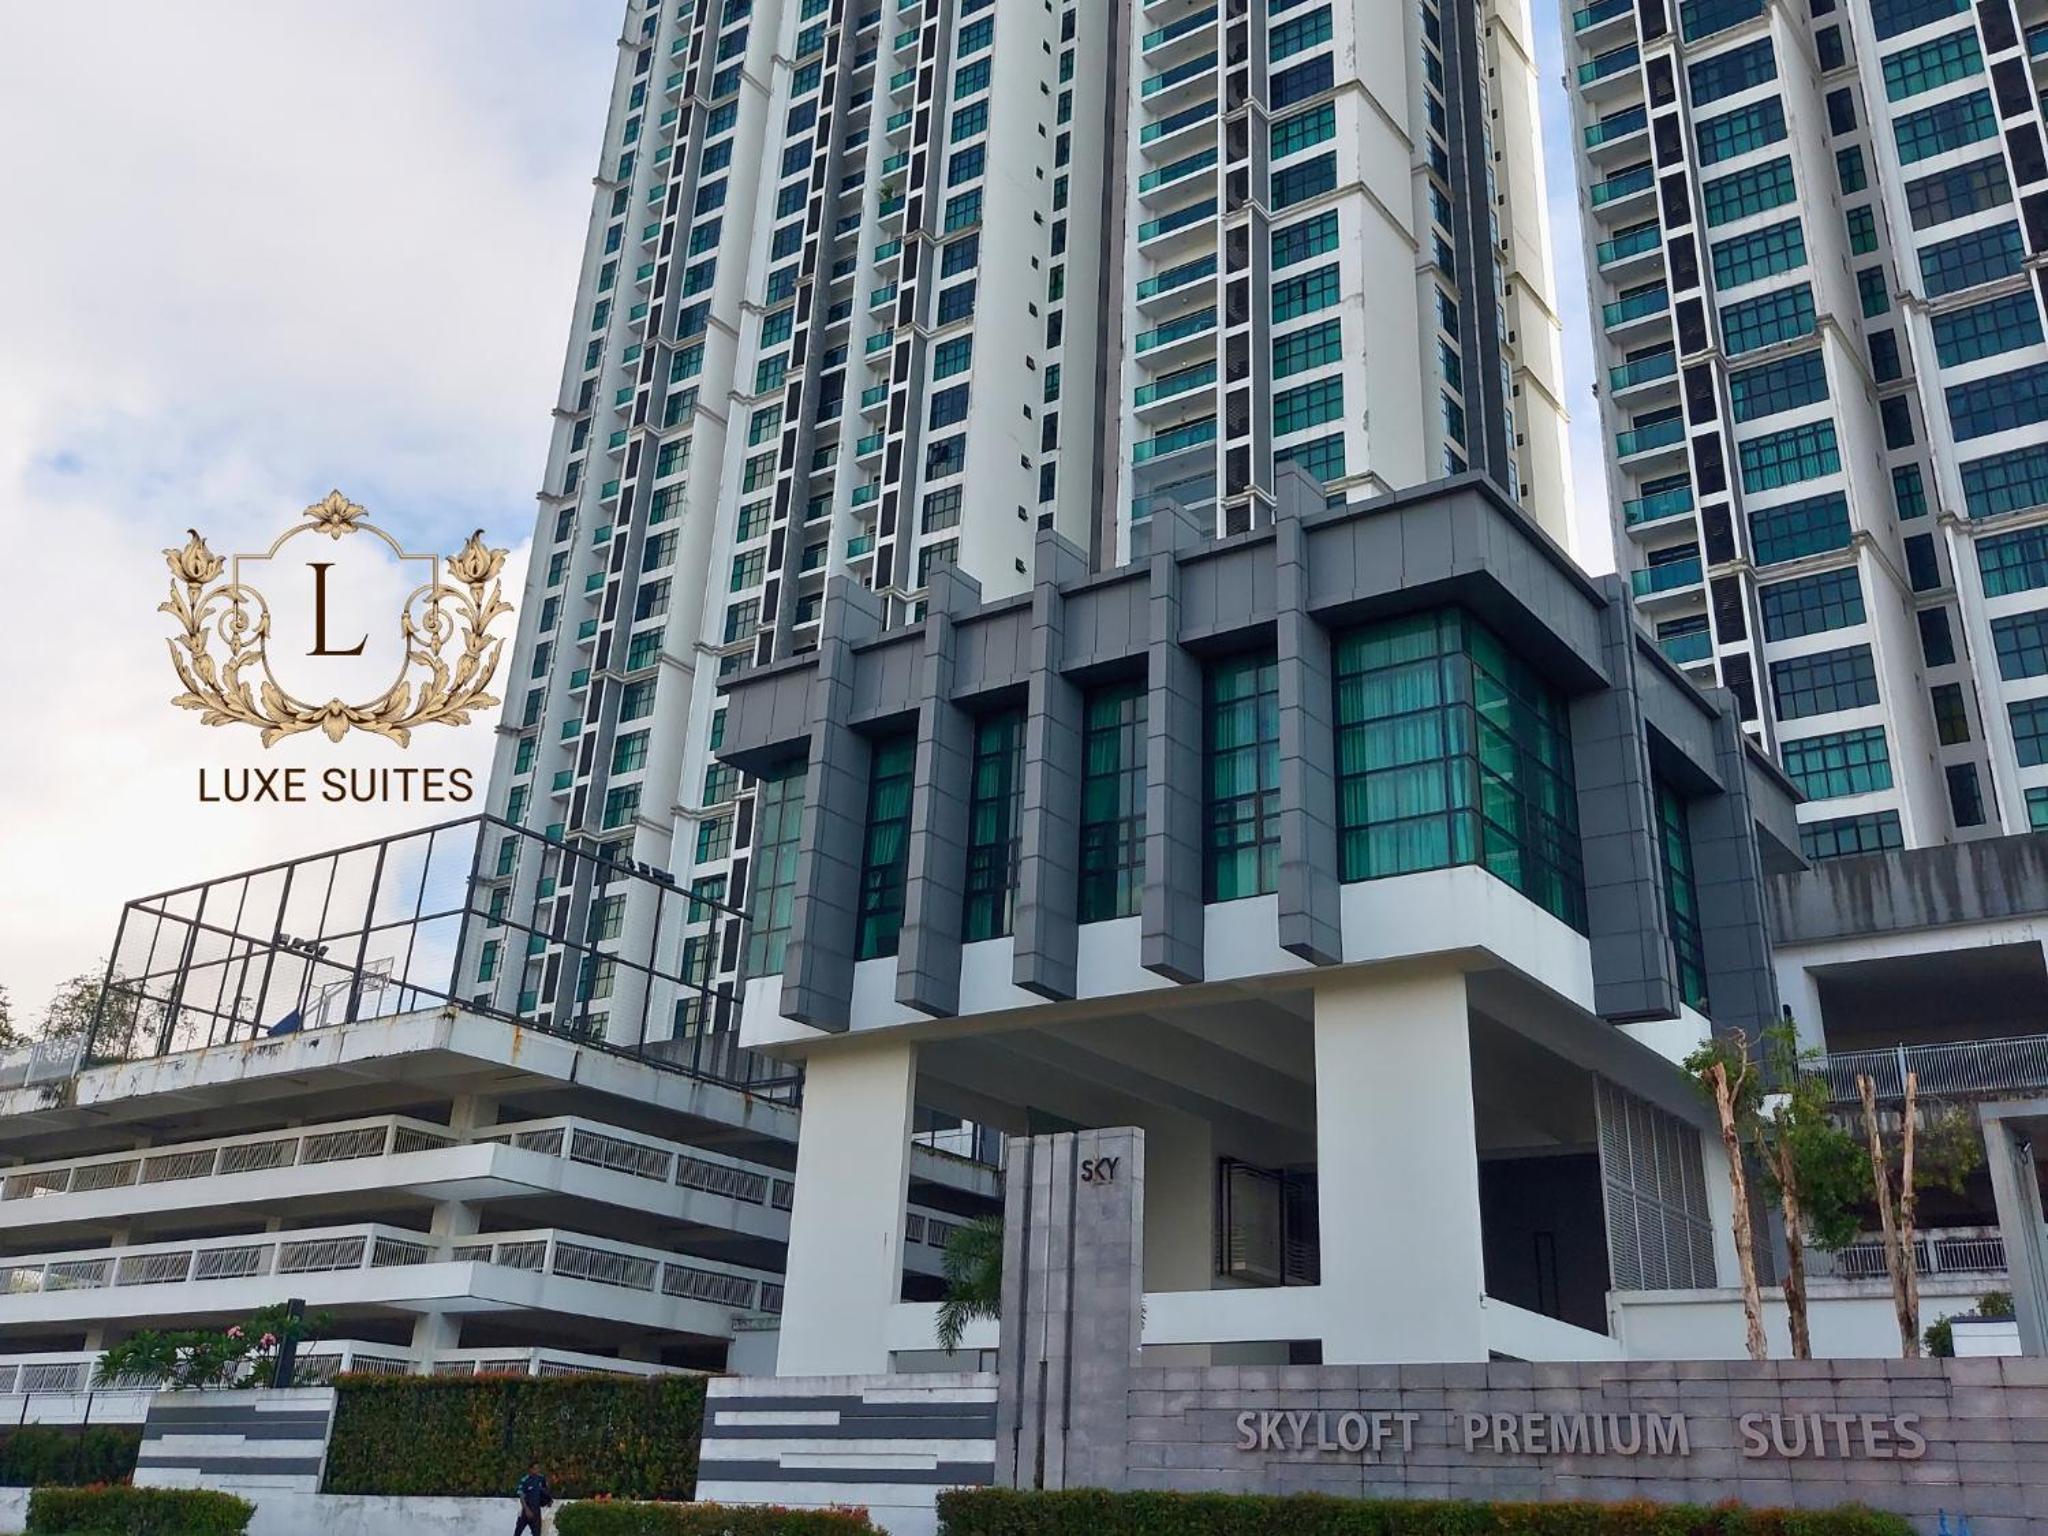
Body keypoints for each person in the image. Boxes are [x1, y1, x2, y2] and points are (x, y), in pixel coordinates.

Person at [514, 1459, 552, 1535]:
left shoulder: (541, 1478)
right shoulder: (525, 1480)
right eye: (535, 1468)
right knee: (518, 1532)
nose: (537, 1470)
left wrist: (548, 1500)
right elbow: (521, 1496)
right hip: (526, 1511)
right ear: (530, 1469)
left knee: (537, 1533)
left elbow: (545, 1491)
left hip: (536, 1511)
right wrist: (527, 1510)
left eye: (538, 1468)